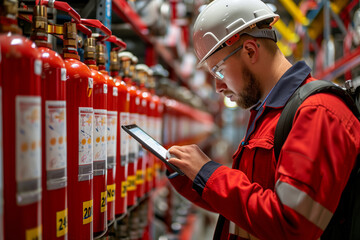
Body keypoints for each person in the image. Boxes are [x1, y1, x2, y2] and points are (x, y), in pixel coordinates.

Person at [166, 0, 360, 239]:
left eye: (219, 70)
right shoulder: (267, 114)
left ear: (250, 50)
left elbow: (290, 225)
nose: (218, 86)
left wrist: (209, 174)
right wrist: (194, 179)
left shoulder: (318, 112)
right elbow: (251, 208)